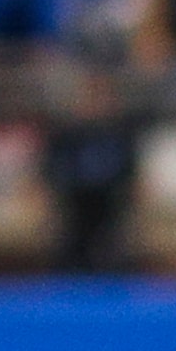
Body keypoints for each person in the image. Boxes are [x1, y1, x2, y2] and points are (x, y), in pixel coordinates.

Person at [38, 68, 141, 271]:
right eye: (92, 98)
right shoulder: (65, 135)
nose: (97, 104)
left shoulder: (120, 136)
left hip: (109, 209)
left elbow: (132, 178)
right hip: (73, 209)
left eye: (102, 98)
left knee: (112, 256)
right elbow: (48, 175)